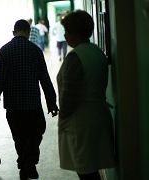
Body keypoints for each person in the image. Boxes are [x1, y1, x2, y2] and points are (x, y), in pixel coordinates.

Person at [0, 19, 59, 180]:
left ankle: (24, 162)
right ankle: (29, 163)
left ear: (14, 32)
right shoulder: (35, 50)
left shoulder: (4, 51)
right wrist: (52, 102)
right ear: (28, 32)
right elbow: (44, 78)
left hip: (13, 105)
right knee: (37, 131)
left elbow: (0, 80)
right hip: (32, 103)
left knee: (19, 136)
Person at [57, 10, 116, 180]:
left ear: (75, 33)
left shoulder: (75, 57)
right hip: (98, 116)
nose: (66, 36)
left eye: (67, 32)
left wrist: (63, 119)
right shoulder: (97, 52)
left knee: (86, 172)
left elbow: (69, 97)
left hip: (81, 122)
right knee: (91, 170)